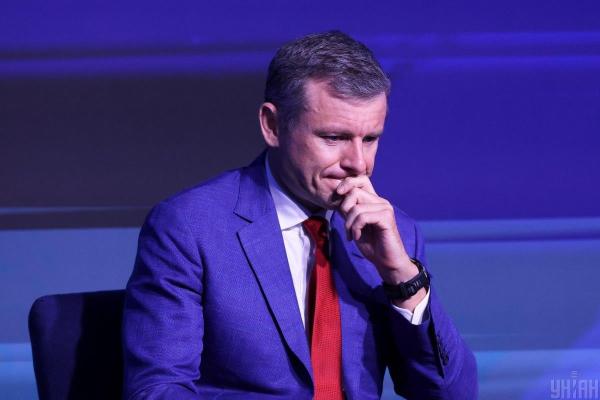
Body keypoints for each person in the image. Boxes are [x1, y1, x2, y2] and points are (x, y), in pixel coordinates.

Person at [122, 30, 478, 399]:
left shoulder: (395, 232)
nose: (358, 164)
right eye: (334, 138)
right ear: (273, 126)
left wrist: (402, 277)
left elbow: (452, 394)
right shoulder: (189, 227)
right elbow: (157, 390)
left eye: (370, 139)